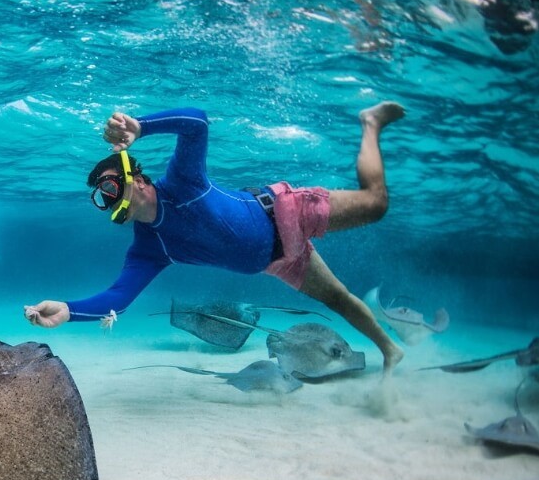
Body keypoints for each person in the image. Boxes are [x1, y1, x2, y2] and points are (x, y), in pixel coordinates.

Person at [24, 103, 406, 373]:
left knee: (376, 205)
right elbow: (117, 300)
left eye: (109, 188)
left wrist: (140, 126)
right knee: (338, 298)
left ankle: (370, 123)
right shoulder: (148, 248)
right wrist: (69, 310)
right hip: (277, 262)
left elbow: (197, 122)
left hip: (284, 212)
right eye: (101, 200)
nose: (108, 201)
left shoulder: (181, 182)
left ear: (136, 178)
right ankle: (390, 351)